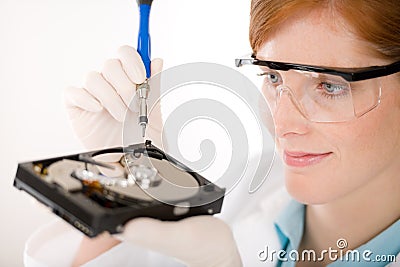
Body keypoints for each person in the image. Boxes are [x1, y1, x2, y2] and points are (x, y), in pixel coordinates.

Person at [25, 0, 400, 266]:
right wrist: (127, 186)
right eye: (272, 76)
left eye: (330, 86)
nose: (283, 123)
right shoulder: (240, 186)